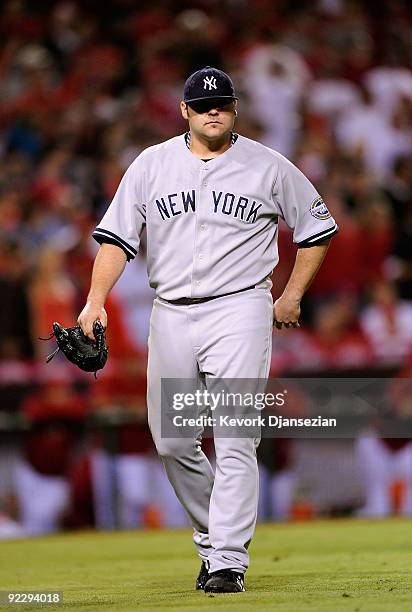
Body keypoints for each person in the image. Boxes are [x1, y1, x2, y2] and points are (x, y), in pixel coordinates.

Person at [77, 66, 338, 594]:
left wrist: (290, 294)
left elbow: (317, 228)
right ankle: (213, 535)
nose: (212, 111)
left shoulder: (268, 165)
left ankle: (227, 560)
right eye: (202, 104)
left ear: (235, 108)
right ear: (185, 110)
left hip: (241, 309)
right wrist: (94, 301)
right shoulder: (152, 165)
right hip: (170, 309)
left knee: (236, 437)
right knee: (172, 440)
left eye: (220, 103)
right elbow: (115, 240)